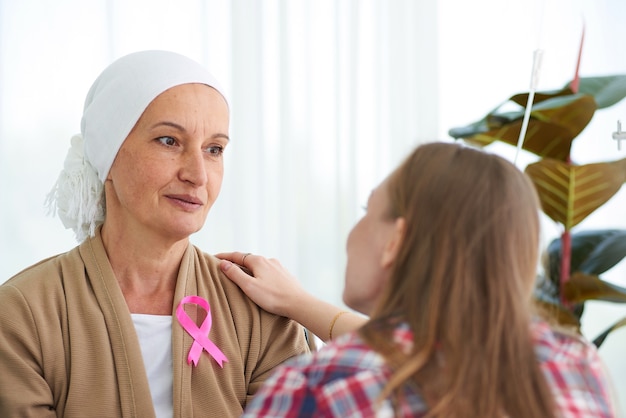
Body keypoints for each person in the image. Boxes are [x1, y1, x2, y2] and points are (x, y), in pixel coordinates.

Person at [0, 50, 310, 418]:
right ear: (108, 155)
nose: (198, 175)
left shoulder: (260, 313)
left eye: (214, 149)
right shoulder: (21, 314)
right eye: (169, 141)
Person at [217, 142, 617, 417]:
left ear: (396, 240)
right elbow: (434, 347)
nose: (352, 232)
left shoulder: (318, 390)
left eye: (367, 209)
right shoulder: (576, 365)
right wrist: (299, 304)